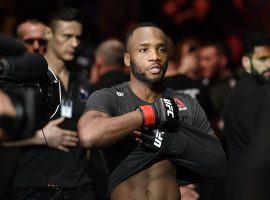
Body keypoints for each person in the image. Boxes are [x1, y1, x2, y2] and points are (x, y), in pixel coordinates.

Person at [78, 22, 227, 200]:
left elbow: (218, 165)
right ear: (127, 59)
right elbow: (88, 135)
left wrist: (169, 140)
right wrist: (149, 114)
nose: (155, 56)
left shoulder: (185, 103)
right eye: (144, 50)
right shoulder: (110, 97)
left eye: (161, 49)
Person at [4, 7, 95, 199]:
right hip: (34, 187)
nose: (75, 43)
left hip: (79, 187)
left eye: (78, 37)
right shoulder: (27, 79)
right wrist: (41, 136)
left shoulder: (83, 82)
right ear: (48, 34)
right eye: (67, 36)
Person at [222, 31, 270, 200]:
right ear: (246, 62)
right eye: (262, 59)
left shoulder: (236, 93)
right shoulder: (259, 94)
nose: (269, 65)